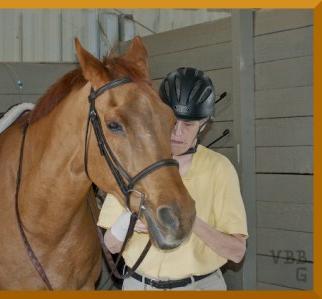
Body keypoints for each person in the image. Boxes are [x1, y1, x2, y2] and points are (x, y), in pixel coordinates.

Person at [97, 67, 248, 290]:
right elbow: (110, 245)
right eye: (173, 121)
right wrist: (128, 221)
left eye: (188, 125)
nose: (178, 132)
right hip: (139, 285)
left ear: (204, 124)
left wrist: (189, 220)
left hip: (200, 286)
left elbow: (236, 253)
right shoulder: (134, 163)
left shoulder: (219, 169)